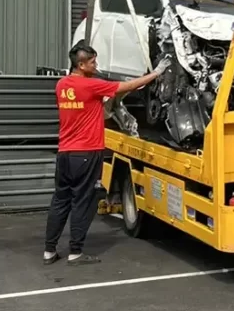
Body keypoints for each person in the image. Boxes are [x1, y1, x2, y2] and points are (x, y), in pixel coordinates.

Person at [43, 42, 169, 265]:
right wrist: (157, 72)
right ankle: (75, 253)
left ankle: (49, 251)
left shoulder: (62, 85)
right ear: (81, 65)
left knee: (60, 201)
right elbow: (128, 86)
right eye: (92, 62)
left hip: (64, 153)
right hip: (86, 154)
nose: (96, 64)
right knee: (83, 202)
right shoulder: (91, 86)